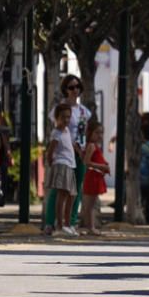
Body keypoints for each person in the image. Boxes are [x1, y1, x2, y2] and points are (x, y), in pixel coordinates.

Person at [43, 76, 92, 236]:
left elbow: (84, 132)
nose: (75, 90)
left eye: (77, 86)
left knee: (74, 190)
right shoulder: (59, 109)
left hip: (79, 153)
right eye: (71, 87)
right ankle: (51, 222)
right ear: (65, 89)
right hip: (63, 153)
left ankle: (69, 222)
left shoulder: (84, 111)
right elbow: (57, 129)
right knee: (58, 190)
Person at [44, 103, 79, 237]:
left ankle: (67, 224)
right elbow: (50, 151)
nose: (66, 120)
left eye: (68, 117)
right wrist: (53, 164)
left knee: (72, 195)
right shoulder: (56, 132)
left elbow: (72, 144)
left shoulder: (67, 131)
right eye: (63, 117)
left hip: (71, 164)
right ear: (57, 117)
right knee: (62, 194)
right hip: (62, 164)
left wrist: (79, 152)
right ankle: (59, 225)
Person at [79, 120, 110, 235]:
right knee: (89, 205)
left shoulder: (96, 146)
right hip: (92, 177)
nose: (99, 135)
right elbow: (87, 162)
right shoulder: (91, 146)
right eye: (97, 133)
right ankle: (90, 227)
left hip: (96, 177)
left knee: (91, 204)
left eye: (101, 133)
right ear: (90, 133)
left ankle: (90, 227)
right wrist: (102, 166)